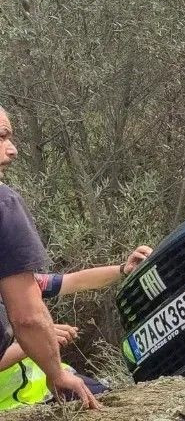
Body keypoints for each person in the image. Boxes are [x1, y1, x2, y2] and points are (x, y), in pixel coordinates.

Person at [0, 105, 101, 409]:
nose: (13, 149)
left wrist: (124, 267)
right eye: (2, 136)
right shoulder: (4, 204)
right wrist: (56, 372)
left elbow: (68, 281)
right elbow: (27, 315)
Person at [0, 248, 150, 410]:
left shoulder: (14, 284)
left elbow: (74, 281)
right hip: (12, 406)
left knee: (108, 399)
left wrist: (123, 269)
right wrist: (35, 342)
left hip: (50, 384)